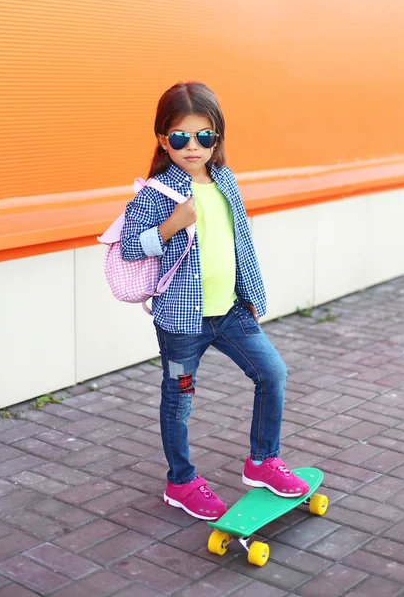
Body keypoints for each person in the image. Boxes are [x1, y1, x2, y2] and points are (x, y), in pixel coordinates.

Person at [121, 81, 309, 521]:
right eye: (181, 137)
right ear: (163, 139)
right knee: (179, 397)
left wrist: (251, 296)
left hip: (230, 313)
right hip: (181, 325)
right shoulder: (156, 193)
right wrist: (171, 225)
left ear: (217, 138)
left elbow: (240, 241)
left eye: (204, 136)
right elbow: (131, 246)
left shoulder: (224, 180)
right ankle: (181, 482)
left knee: (273, 374)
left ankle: (262, 462)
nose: (192, 146)